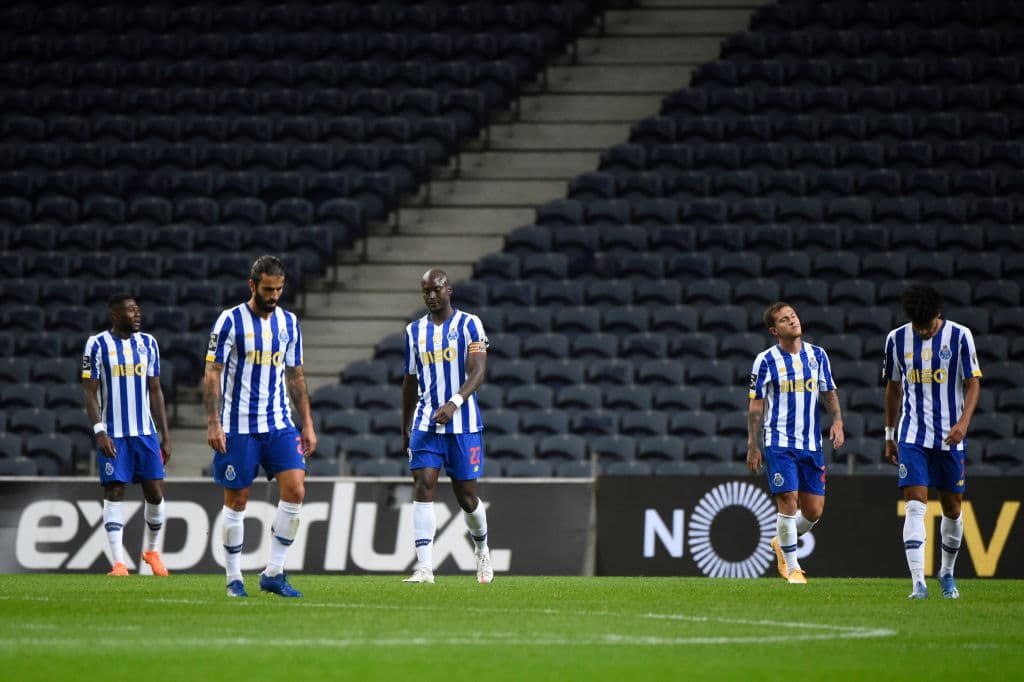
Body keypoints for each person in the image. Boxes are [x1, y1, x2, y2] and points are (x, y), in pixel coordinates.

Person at [204, 255, 317, 598]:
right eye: (268, 289)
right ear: (252, 285)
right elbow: (213, 373)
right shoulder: (229, 321)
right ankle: (234, 578)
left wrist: (307, 422)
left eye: (279, 289)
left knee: (296, 490)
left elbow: (295, 376)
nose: (274, 295)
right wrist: (213, 422)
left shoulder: (288, 323)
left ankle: (274, 572)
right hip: (238, 425)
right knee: (237, 500)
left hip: (279, 423)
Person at [883, 284, 981, 600]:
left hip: (950, 438)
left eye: (927, 325)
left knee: (952, 508)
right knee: (915, 505)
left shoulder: (960, 337)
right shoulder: (896, 340)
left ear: (938, 314)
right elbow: (893, 389)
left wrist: (963, 423)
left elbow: (973, 383)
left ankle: (947, 574)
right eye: (918, 325)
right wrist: (889, 433)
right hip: (912, 436)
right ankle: (918, 584)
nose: (923, 331)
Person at [401, 268, 493, 584]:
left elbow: (478, 371)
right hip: (426, 423)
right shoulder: (414, 332)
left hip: (463, 425)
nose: (431, 295)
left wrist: (454, 403)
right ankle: (425, 566)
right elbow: (410, 381)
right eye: (425, 291)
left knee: (466, 498)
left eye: (436, 289)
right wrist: (406, 425)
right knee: (423, 484)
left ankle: (482, 551)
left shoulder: (470, 325)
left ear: (449, 290)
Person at [746, 302, 844, 584]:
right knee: (788, 501)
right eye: (785, 319)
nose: (793, 321)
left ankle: (781, 543)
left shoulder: (818, 355)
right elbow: (756, 407)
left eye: (794, 316)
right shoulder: (765, 360)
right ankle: (792, 568)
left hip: (811, 443)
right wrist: (754, 445)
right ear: (774, 330)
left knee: (813, 511)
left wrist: (837, 420)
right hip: (779, 442)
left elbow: (829, 392)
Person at [82, 293, 172, 577]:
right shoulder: (96, 344)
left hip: (144, 433)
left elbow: (155, 391)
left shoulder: (149, 344)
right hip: (114, 434)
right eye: (131, 310)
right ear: (115, 315)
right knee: (115, 491)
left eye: (138, 310)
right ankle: (119, 563)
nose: (137, 315)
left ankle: (151, 551)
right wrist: (99, 432)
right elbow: (90, 393)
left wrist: (165, 435)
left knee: (155, 493)